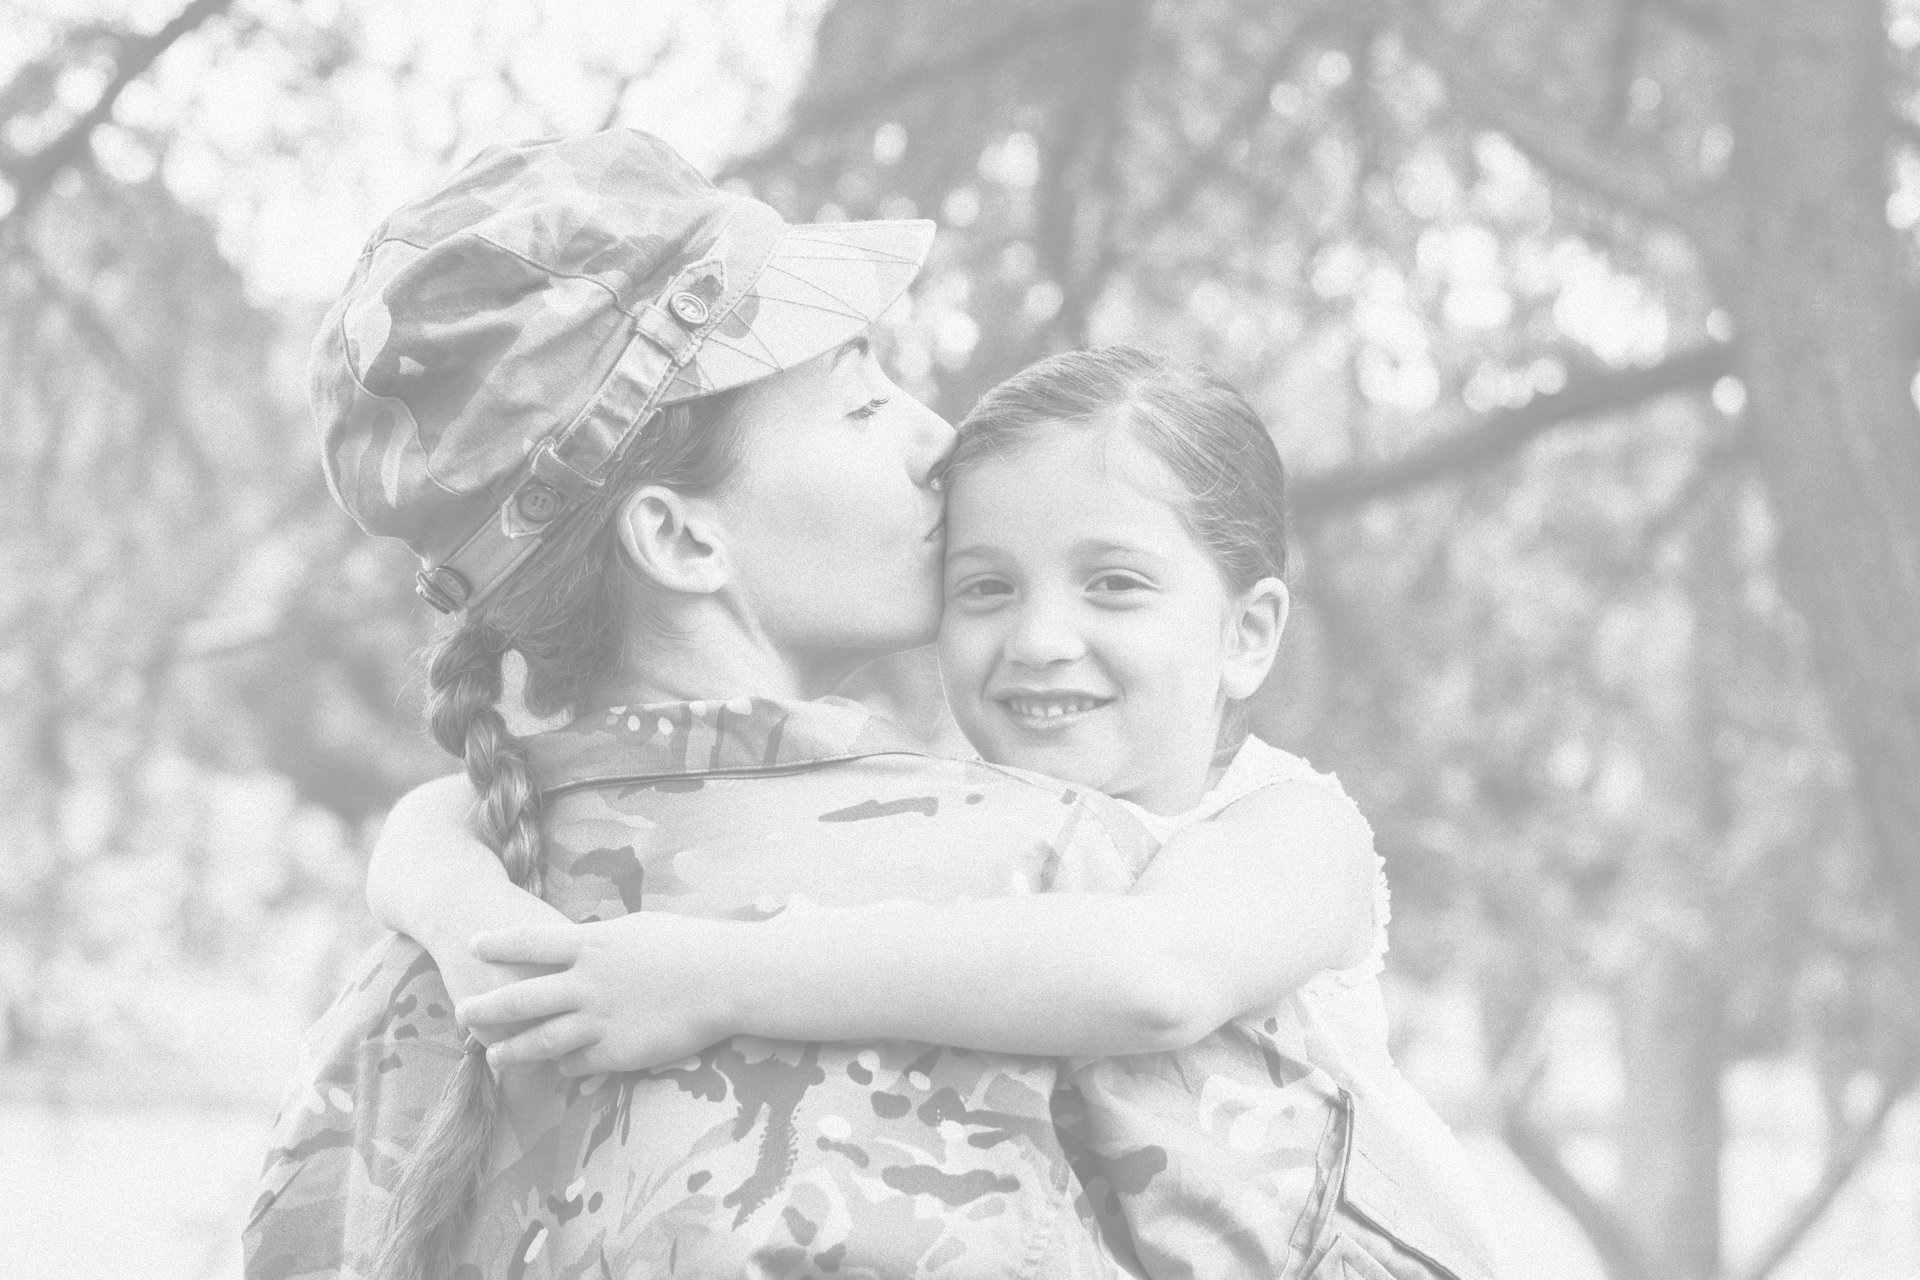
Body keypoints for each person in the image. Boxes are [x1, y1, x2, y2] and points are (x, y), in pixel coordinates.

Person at [244, 128, 1170, 1280]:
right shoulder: (1070, 896)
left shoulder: (393, 1001)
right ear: (680, 538)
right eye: (861, 402)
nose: (940, 439)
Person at [369, 349, 1500, 1280]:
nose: (1040, 638)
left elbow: (1154, 975)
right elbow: (444, 808)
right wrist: (461, 905)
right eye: (985, 587)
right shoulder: (959, 812)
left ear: (1247, 635)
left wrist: (709, 977)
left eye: (1115, 584)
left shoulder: (1287, 825)